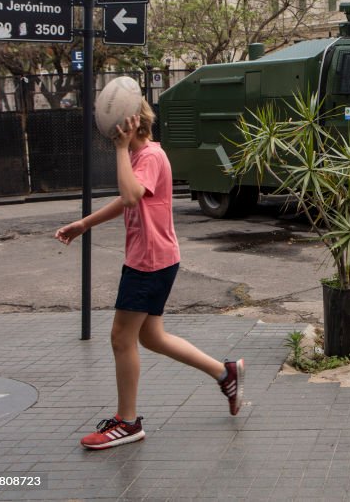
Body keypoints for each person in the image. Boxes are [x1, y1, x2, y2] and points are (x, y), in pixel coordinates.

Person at [55, 103, 244, 450]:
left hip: (149, 263)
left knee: (120, 338)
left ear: (129, 125)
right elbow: (130, 199)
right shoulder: (144, 155)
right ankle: (225, 373)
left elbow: (129, 195)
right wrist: (85, 224)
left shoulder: (150, 157)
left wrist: (120, 149)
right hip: (153, 259)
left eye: (113, 129)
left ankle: (127, 422)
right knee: (152, 337)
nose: (110, 135)